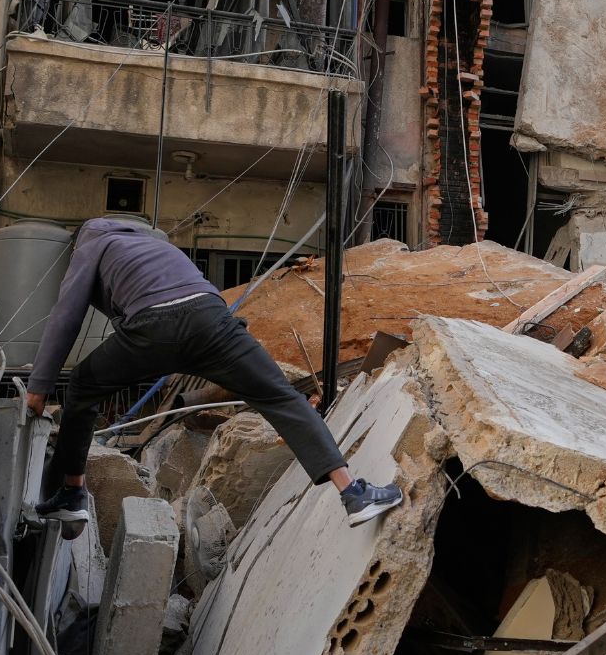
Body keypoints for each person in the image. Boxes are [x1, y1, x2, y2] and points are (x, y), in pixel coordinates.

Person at [23, 218, 403, 528]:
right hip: (212, 320)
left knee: (83, 387)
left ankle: (72, 494)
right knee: (281, 397)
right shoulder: (157, 246)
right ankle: (353, 493)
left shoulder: (91, 246)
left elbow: (65, 317)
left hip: (152, 331)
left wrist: (39, 387)